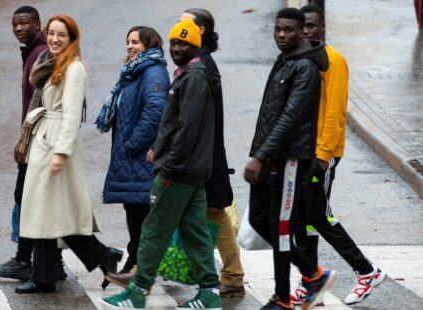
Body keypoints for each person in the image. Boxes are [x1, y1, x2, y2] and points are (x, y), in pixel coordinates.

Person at [100, 19, 222, 310]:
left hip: (178, 171)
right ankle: (209, 293)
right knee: (195, 233)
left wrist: (168, 167)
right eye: (174, 43)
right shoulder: (190, 74)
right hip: (191, 170)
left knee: (153, 230)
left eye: (184, 44)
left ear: (196, 46)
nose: (177, 48)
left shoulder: (192, 78)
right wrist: (160, 146)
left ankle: (137, 293)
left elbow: (186, 128)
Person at [15, 14, 122, 294]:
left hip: (55, 146)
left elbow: (72, 115)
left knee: (50, 212)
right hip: (46, 141)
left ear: (72, 39)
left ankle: (94, 258)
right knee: (48, 213)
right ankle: (47, 274)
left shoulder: (74, 69)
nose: (53, 39)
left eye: (61, 35)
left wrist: (60, 153)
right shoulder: (53, 63)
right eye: (51, 33)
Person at [289, 5, 386, 306]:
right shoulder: (301, 60)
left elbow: (335, 113)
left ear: (322, 27)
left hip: (323, 153)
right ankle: (312, 282)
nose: (306, 31)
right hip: (303, 151)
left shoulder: (334, 61)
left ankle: (367, 271)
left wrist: (322, 155)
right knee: (302, 218)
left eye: (311, 26)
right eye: (302, 26)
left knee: (318, 215)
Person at [243, 8, 334, 310]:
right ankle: (312, 274)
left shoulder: (305, 68)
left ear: (301, 32)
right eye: (278, 29)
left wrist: (260, 156)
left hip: (290, 159)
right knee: (259, 220)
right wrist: (260, 154)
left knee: (280, 228)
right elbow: (270, 114)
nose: (281, 35)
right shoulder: (285, 61)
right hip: (272, 158)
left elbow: (289, 118)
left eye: (289, 30)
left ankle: (282, 298)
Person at [0, 5, 67, 283]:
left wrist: (29, 139)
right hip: (38, 139)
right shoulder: (34, 52)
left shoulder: (40, 54)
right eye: (14, 25)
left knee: (27, 197)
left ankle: (25, 260)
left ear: (37, 25)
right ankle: (53, 264)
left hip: (40, 141)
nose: (18, 29)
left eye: (23, 24)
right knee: (38, 201)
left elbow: (48, 105)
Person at [181, 7, 246, 298]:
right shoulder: (200, 62)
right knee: (209, 213)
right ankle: (225, 275)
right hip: (205, 157)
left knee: (212, 213)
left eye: (185, 24)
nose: (178, 30)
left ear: (201, 31)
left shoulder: (201, 66)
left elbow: (193, 120)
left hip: (202, 159)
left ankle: (231, 276)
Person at [95, 26, 169, 277]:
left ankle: (137, 266)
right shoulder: (134, 72)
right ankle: (138, 264)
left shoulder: (153, 72)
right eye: (128, 41)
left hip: (140, 157)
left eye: (135, 42)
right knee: (136, 213)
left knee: (140, 214)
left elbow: (155, 112)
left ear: (149, 45)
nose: (129, 46)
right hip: (133, 158)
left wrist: (132, 145)